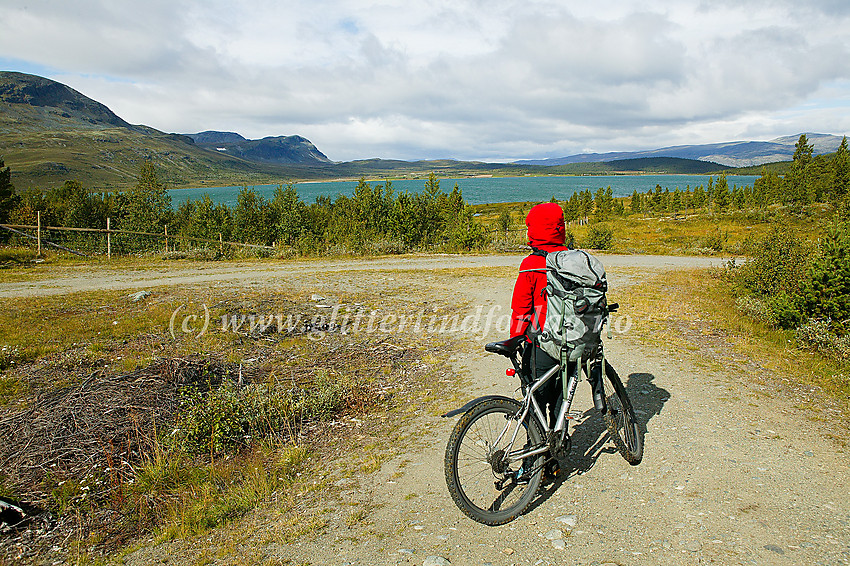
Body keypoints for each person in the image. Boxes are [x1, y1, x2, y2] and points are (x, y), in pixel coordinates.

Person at [509, 202, 569, 428]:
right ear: (559, 228)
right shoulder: (573, 260)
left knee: (535, 403)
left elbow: (521, 309)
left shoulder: (531, 264)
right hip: (571, 342)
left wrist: (515, 339)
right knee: (560, 402)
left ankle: (535, 456)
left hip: (541, 344)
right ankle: (556, 451)